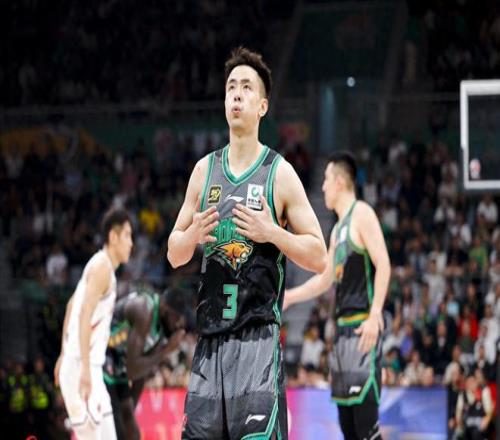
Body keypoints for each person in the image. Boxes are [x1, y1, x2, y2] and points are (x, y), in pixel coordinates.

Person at [167, 46, 327, 440]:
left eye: (246, 88)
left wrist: (273, 233)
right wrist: (191, 236)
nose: (236, 95)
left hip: (257, 342)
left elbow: (319, 256)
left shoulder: (279, 173)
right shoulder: (204, 171)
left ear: (262, 106)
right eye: (231, 88)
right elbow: (174, 254)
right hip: (210, 344)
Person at [284, 152, 391, 440]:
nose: (322, 187)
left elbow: (383, 263)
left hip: (362, 330)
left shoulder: (362, 214)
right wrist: (291, 296)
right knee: (349, 429)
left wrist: (375, 314)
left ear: (340, 183)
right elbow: (325, 279)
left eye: (326, 180)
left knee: (367, 429)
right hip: (342, 336)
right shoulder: (337, 230)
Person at [54, 208, 133, 440]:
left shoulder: (103, 267)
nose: (131, 243)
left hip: (88, 366)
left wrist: (63, 353)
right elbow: (83, 315)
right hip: (82, 367)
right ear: (113, 236)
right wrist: (83, 369)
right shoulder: (101, 267)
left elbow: (72, 305)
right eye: (127, 235)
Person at [103, 287, 186, 440]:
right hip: (102, 357)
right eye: (177, 317)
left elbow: (141, 371)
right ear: (165, 307)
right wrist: (166, 350)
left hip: (120, 364)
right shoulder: (144, 309)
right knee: (117, 431)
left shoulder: (162, 326)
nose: (178, 323)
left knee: (131, 428)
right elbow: (133, 369)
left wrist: (131, 408)